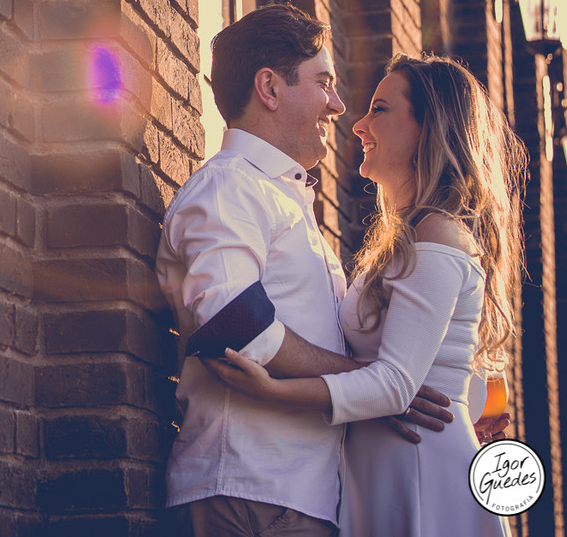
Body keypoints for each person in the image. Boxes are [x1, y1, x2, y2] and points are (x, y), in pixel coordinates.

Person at [157, 4, 452, 537]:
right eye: (324, 83)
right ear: (270, 88)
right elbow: (234, 324)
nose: (338, 105)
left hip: (292, 499)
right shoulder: (229, 187)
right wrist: (370, 385)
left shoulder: (280, 199)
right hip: (248, 493)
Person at [207, 53, 524, 536]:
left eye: (380, 109)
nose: (358, 125)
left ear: (428, 129)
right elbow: (437, 369)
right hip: (385, 465)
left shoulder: (436, 233)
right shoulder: (409, 239)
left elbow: (397, 384)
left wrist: (273, 391)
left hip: (418, 467)